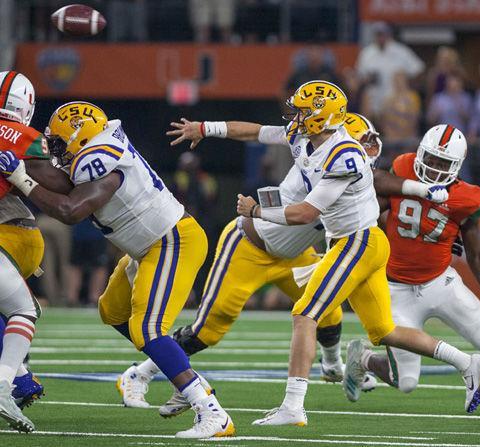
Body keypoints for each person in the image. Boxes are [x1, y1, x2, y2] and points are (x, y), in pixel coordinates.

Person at [233, 80, 480, 426]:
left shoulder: (344, 153)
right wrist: (207, 128)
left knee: (305, 314)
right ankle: (467, 363)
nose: (295, 116)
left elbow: (306, 214)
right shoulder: (310, 140)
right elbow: (258, 133)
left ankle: (293, 407)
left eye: (303, 111)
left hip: (355, 241)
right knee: (384, 330)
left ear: (320, 117)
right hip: (361, 242)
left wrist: (256, 212)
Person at [115, 111, 394, 416]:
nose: (366, 151)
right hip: (250, 245)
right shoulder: (317, 152)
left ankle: (332, 365)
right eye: (361, 143)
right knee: (208, 329)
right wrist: (205, 128)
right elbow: (257, 133)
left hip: (294, 252)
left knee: (326, 309)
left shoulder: (346, 167)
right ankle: (140, 373)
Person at [0, 101, 234, 439]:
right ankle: (178, 373)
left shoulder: (102, 160)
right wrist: (24, 167)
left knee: (147, 329)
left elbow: (70, 209)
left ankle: (212, 413)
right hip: (145, 248)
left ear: (80, 139)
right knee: (112, 310)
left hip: (171, 241)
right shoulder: (93, 150)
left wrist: (21, 177)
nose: (56, 151)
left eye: (61, 144)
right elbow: (66, 186)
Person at [348, 124, 480, 419]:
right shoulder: (403, 168)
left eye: (443, 163)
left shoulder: (467, 197)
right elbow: (373, 209)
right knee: (407, 382)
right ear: (420, 154)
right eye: (431, 159)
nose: (435, 169)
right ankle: (362, 358)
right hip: (396, 288)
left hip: (440, 283)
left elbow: (476, 254)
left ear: (457, 166)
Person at [0, 71, 73, 432]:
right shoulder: (23, 137)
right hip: (15, 235)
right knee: (23, 311)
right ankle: (10, 381)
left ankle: (20, 379)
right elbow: (61, 185)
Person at [356, 22, 425, 118]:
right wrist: (367, 80)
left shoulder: (401, 51)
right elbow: (360, 77)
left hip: (395, 106)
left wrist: (406, 85)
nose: (380, 37)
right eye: (378, 34)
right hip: (373, 104)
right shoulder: (367, 53)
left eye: (382, 34)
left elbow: (419, 70)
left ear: (389, 34)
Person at [379, 72, 421, 166]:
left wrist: (404, 134)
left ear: (406, 81)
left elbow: (414, 118)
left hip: (408, 137)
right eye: (396, 81)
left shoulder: (413, 97)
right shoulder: (388, 99)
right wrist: (391, 134)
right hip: (392, 138)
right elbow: (384, 119)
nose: (398, 83)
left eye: (400, 80)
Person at [67, 219, 109, 306]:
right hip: (80, 232)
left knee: (99, 266)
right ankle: (72, 299)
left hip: (97, 233)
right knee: (76, 266)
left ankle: (94, 299)